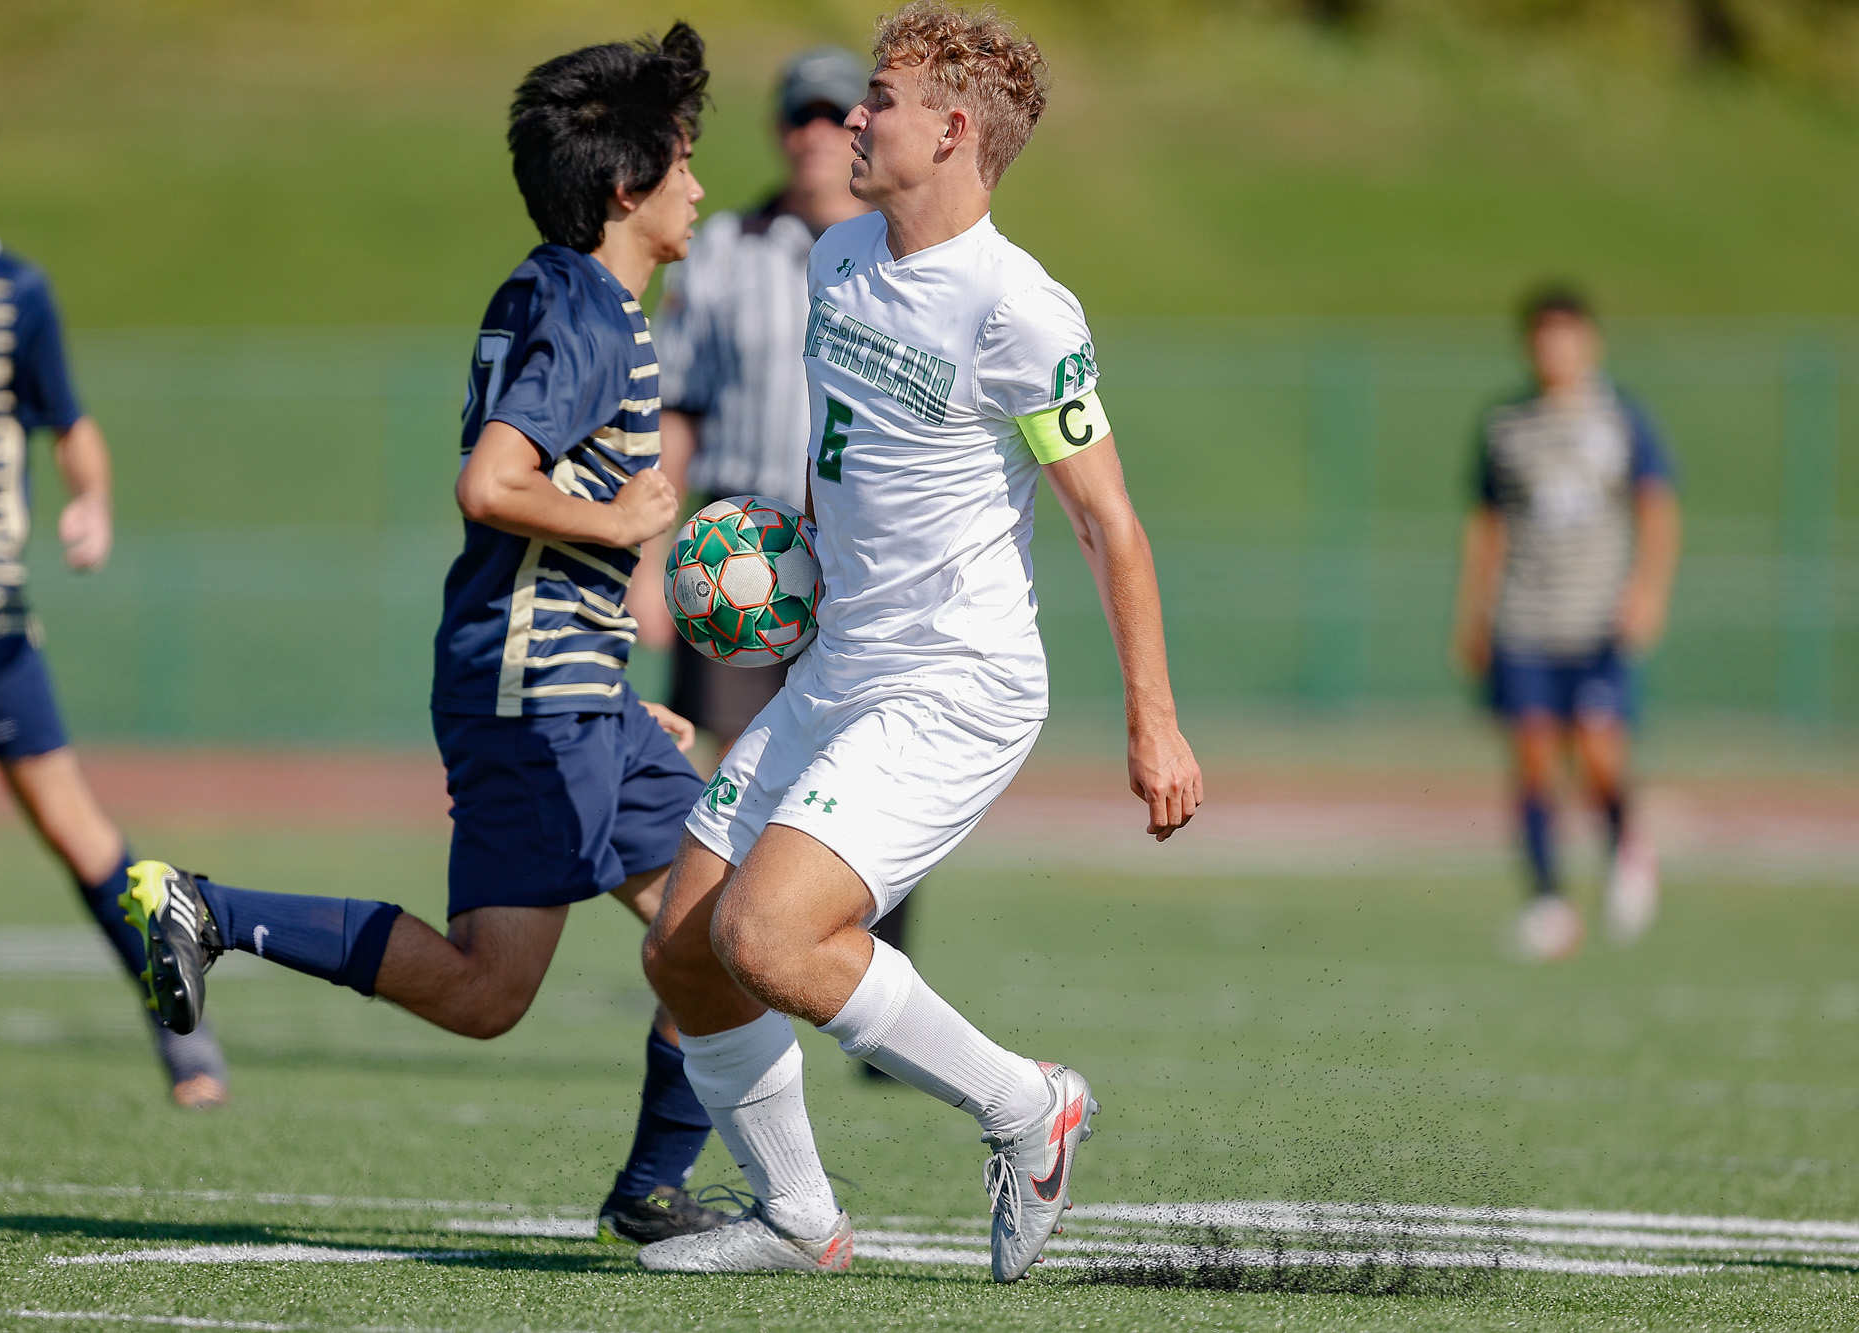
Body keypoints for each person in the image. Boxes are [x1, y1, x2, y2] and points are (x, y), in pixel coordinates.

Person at [118, 25, 733, 1245]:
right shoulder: (591, 313)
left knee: (720, 933)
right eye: (682, 161)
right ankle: (205, 908)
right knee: (488, 992)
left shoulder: (568, 289)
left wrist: (614, 688)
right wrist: (619, 516)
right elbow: (491, 482)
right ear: (627, 187)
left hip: (571, 691)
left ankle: (654, 1187)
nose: (699, 184)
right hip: (530, 693)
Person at [633, 2, 1202, 1282]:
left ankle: (1025, 1106)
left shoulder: (1017, 309)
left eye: (877, 98)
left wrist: (1151, 717)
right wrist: (786, 564)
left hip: (954, 683)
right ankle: (798, 1218)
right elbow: (846, 459)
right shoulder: (837, 258)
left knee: (770, 940)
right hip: (839, 664)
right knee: (681, 947)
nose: (852, 116)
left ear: (950, 132)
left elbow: (1109, 524)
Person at [0, 85, 230, 1108]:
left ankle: (178, 1020)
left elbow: (70, 424)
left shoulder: (14, 293)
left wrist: (92, 503)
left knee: (78, 835)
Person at [638, 46, 916, 1074]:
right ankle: (735, 977)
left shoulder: (895, 245)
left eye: (834, 112)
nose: (814, 132)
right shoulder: (723, 246)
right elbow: (680, 400)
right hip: (742, 544)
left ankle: (864, 980)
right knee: (729, 771)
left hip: (854, 539)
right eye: (797, 114)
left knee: (869, 757)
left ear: (862, 127)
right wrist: (651, 559)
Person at [1451, 286, 1680, 962]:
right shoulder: (1506, 426)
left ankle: (1625, 840)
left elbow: (1658, 509)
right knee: (1531, 758)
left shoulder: (1621, 419)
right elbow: (1488, 527)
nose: (1554, 350)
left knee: (1599, 751)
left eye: (1566, 336)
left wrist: (1648, 591)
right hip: (1525, 616)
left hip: (1595, 617)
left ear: (1589, 342)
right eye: (1542, 338)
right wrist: (1474, 610)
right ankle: (1548, 899)